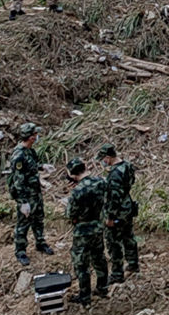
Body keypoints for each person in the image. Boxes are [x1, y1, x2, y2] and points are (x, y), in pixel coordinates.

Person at [64, 158, 110, 305]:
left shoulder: (77, 191)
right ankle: (102, 288)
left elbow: (70, 214)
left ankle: (85, 296)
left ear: (72, 174)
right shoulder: (101, 182)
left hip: (82, 231)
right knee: (99, 257)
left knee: (81, 263)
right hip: (98, 226)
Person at [8, 123, 54, 265]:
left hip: (35, 192)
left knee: (38, 219)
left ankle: (40, 242)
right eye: (35, 134)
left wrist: (42, 166)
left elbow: (32, 166)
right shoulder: (19, 155)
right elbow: (18, 181)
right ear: (30, 137)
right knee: (23, 223)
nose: (37, 136)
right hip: (26, 195)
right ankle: (20, 251)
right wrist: (23, 202)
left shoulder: (30, 151)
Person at [98, 144, 140, 282]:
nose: (103, 162)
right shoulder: (127, 166)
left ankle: (117, 273)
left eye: (103, 159)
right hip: (128, 208)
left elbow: (114, 197)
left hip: (118, 212)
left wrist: (110, 217)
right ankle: (133, 263)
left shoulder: (115, 174)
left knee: (113, 242)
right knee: (129, 237)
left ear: (108, 157)